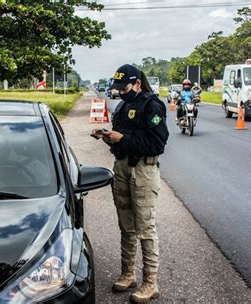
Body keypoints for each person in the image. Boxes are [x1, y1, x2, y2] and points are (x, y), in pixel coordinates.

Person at [91, 64, 169, 303]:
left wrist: (123, 138)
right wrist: (108, 138)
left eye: (124, 88)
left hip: (143, 170)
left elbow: (157, 145)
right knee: (126, 226)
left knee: (145, 228)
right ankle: (128, 274)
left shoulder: (152, 105)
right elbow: (121, 143)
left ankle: (150, 283)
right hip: (122, 167)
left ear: (136, 83)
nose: (120, 92)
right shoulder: (124, 106)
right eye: (117, 89)